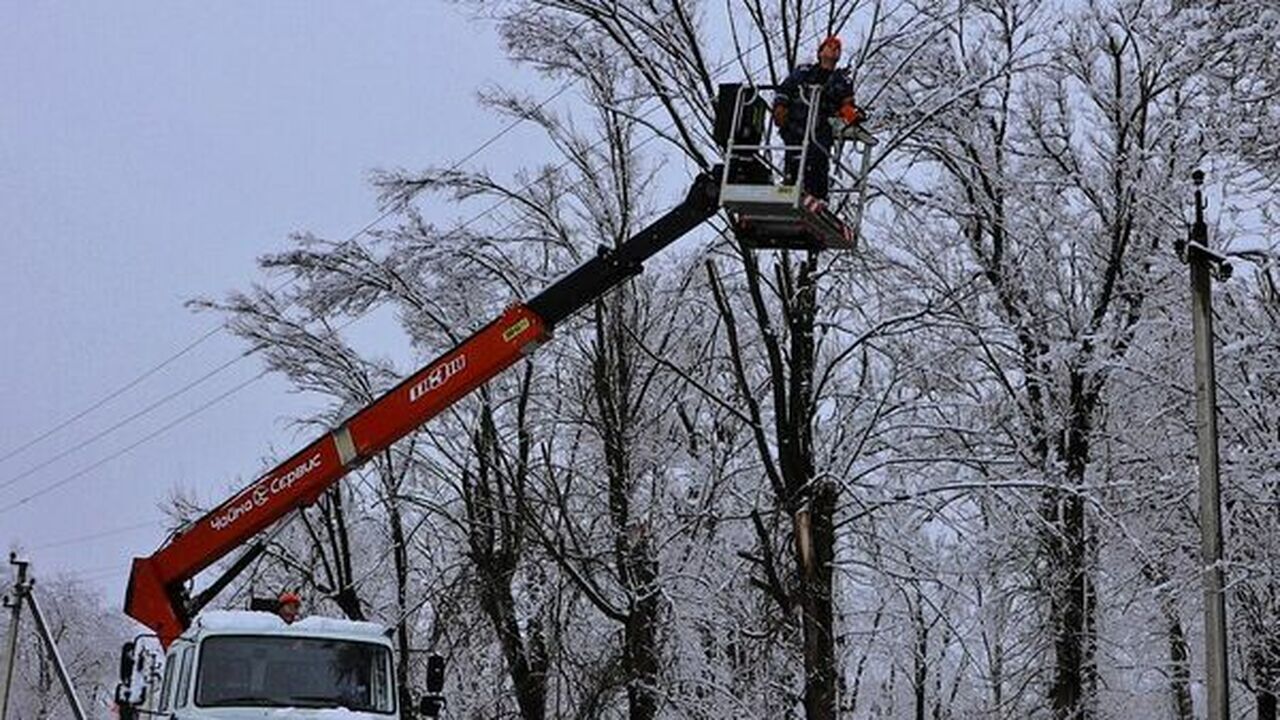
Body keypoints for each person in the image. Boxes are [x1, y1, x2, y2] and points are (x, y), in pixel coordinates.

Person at [772, 36, 865, 202]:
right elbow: (785, 89)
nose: (834, 49)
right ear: (821, 51)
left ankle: (818, 197)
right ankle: (791, 186)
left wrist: (853, 115)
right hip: (796, 125)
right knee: (794, 159)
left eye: (838, 48)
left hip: (820, 127)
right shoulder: (803, 72)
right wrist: (780, 107)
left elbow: (847, 104)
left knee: (817, 161)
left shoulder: (841, 80)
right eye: (830, 46)